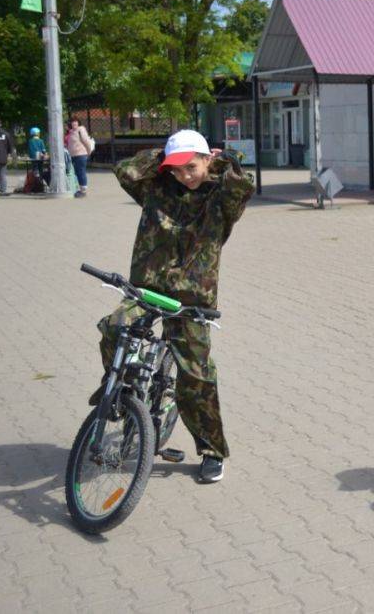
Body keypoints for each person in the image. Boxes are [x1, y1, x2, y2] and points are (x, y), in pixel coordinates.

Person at [92, 129, 253, 483]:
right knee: (113, 328)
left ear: (207, 161)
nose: (184, 175)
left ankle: (211, 450)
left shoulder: (221, 199)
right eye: (176, 169)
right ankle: (126, 397)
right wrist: (168, 155)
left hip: (192, 301)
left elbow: (244, 183)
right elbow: (126, 170)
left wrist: (218, 159)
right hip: (146, 290)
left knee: (196, 377)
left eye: (191, 167)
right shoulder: (156, 189)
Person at [66, 118, 95, 198]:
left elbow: (86, 141)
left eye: (75, 121)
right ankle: (80, 189)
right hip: (73, 155)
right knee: (77, 172)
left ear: (78, 123)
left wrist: (89, 151)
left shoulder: (81, 130)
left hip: (81, 154)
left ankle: (83, 191)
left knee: (81, 172)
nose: (74, 123)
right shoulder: (71, 132)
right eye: (72, 122)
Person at [24, 126, 49, 192]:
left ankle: (35, 183)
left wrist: (30, 155)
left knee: (35, 170)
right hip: (40, 158)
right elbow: (43, 150)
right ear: (38, 133)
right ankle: (40, 183)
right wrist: (45, 154)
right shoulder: (41, 141)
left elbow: (29, 150)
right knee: (40, 170)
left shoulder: (30, 141)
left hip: (33, 158)